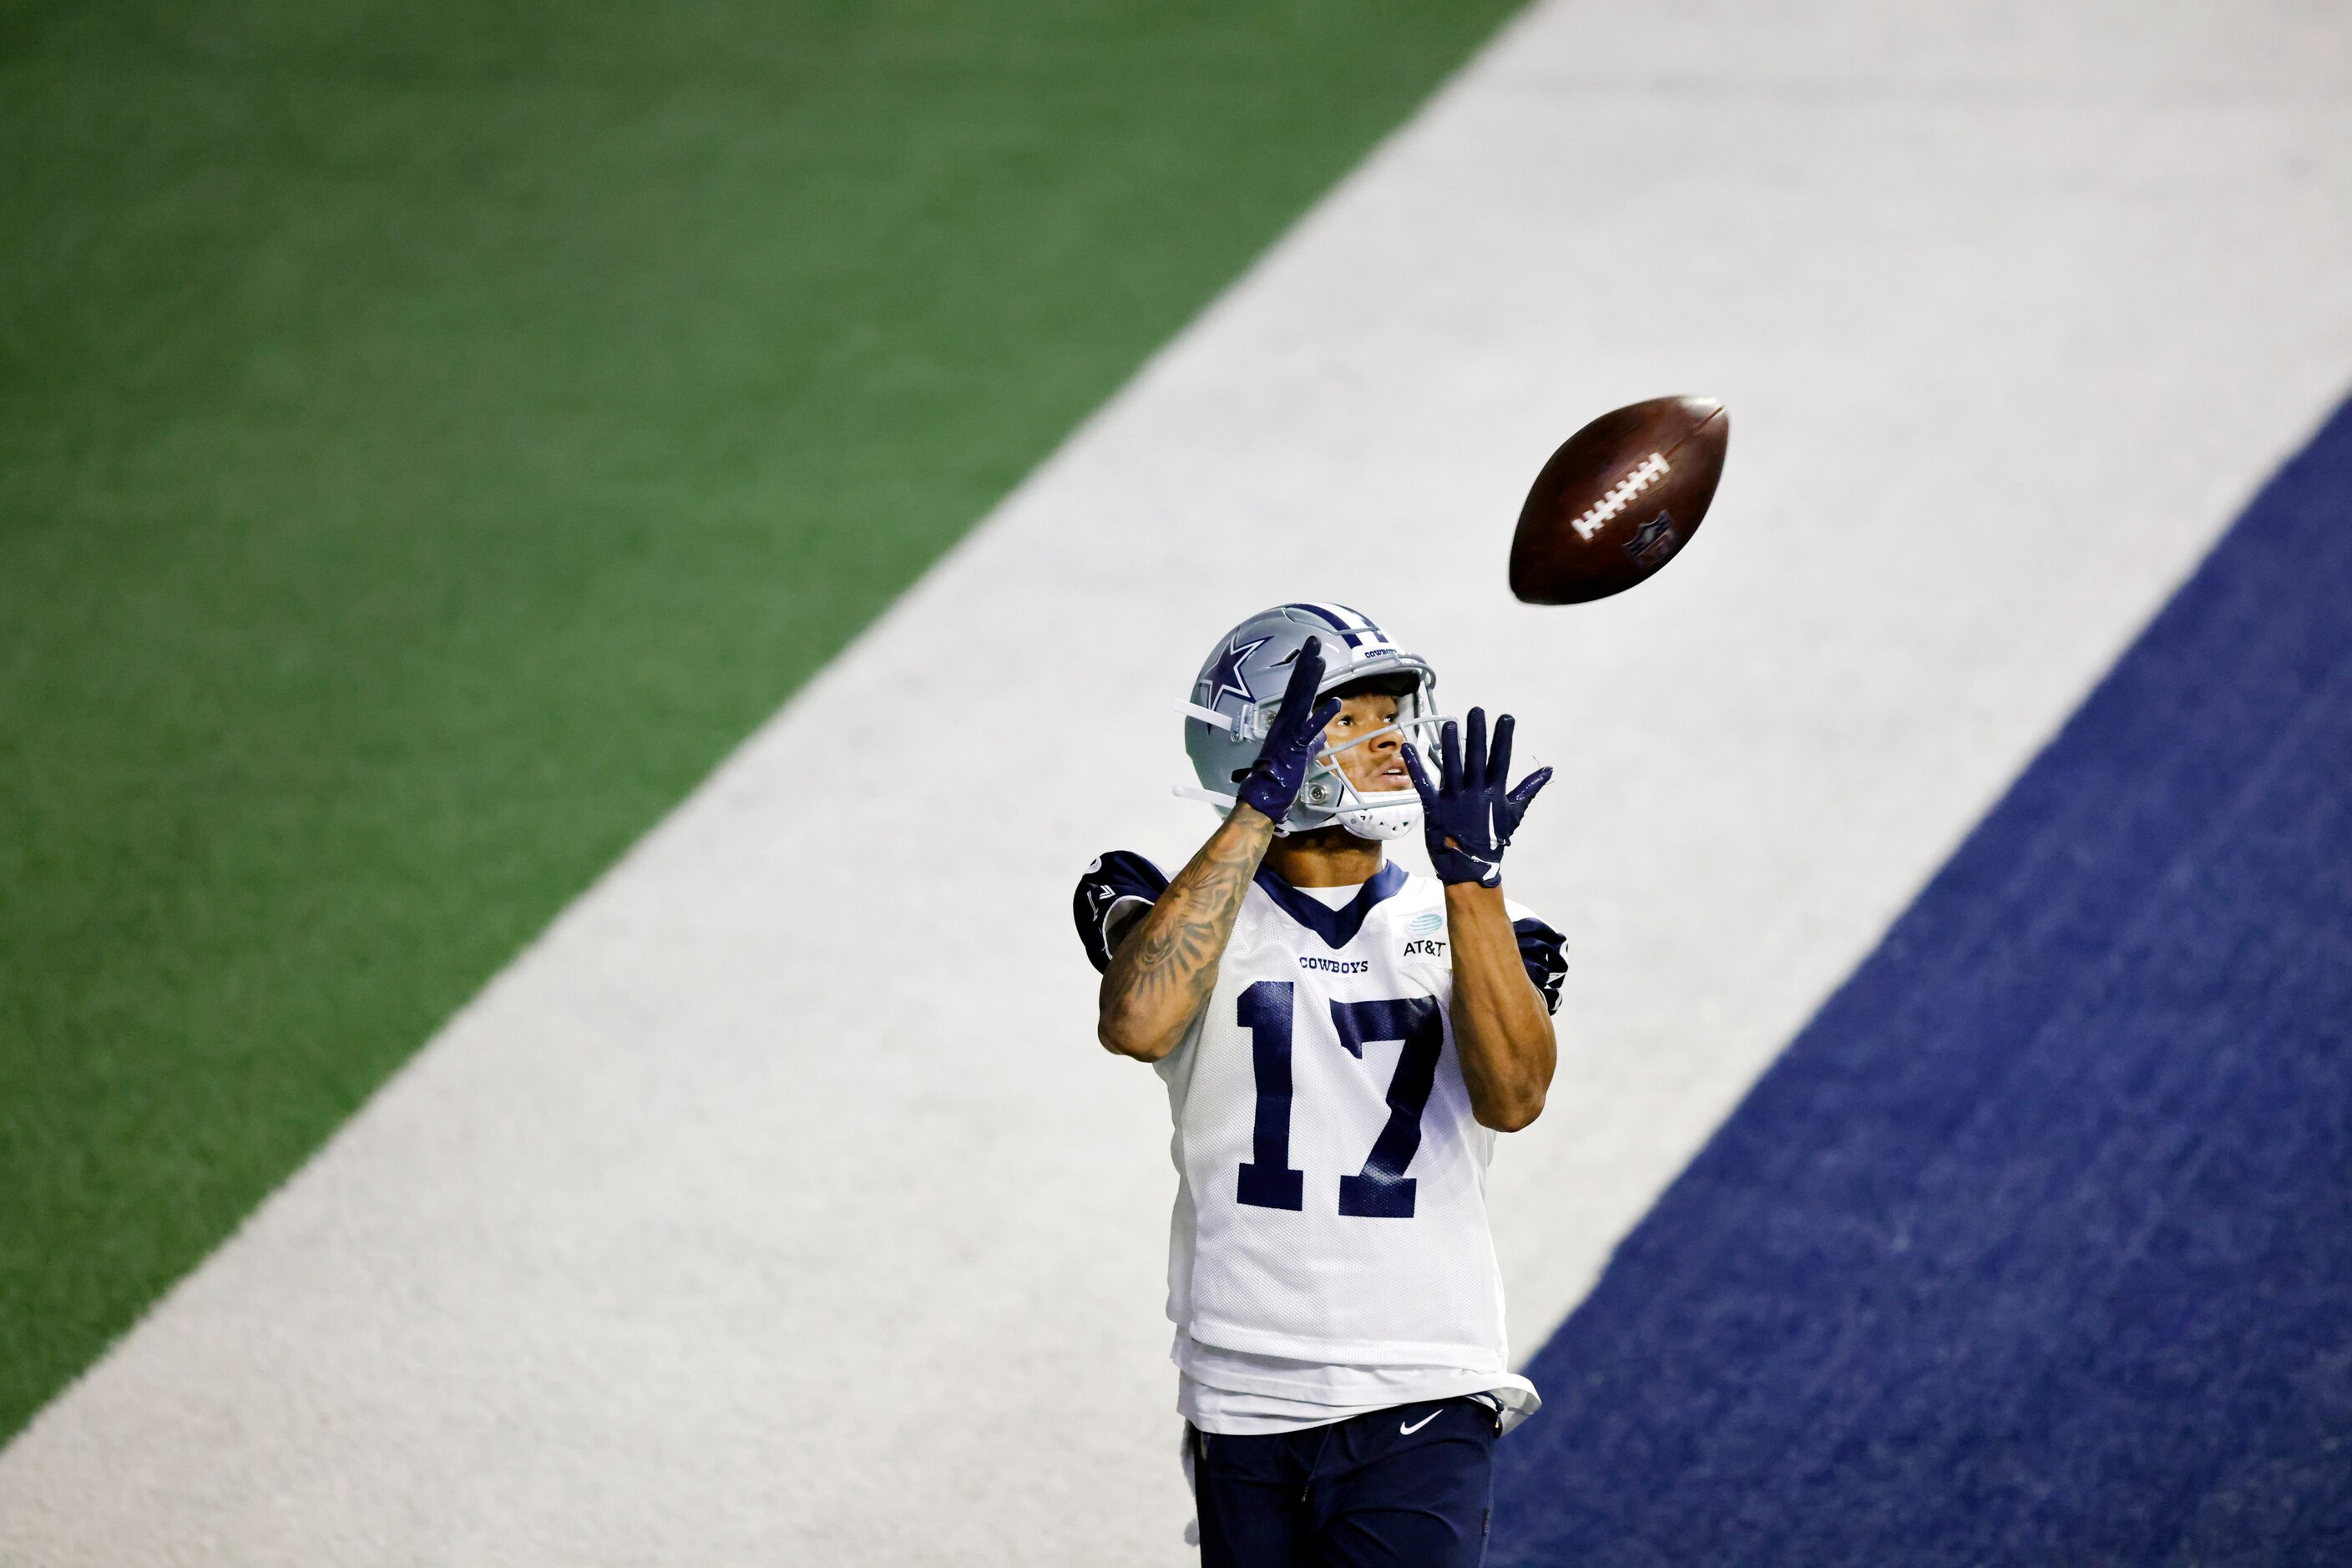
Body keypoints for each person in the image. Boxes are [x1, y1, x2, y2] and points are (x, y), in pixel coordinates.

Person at [1072, 602, 1566, 1568]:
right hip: (1238, 1383)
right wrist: (1257, 812)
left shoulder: (1484, 921)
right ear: (1264, 738)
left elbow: (1514, 1097)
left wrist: (1476, 886)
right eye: (1350, 717)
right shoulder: (1171, 903)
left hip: (1418, 1375)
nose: (1392, 742)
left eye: (1395, 712)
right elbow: (1137, 1023)